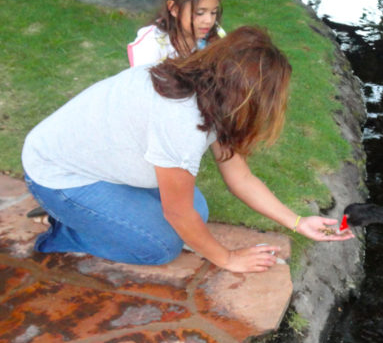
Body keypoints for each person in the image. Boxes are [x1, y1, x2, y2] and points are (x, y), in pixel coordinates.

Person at [22, 26, 353, 273]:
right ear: (246, 98)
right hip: (58, 175)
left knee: (197, 209)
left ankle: (90, 215)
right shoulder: (182, 122)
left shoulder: (212, 88)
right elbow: (177, 213)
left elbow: (242, 178)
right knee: (160, 247)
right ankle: (66, 227)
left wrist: (297, 222)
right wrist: (226, 258)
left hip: (95, 165)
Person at [127, 0, 226, 67]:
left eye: (213, 12)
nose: (209, 20)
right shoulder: (151, 44)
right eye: (200, 13)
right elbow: (142, 81)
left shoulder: (216, 35)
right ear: (174, 9)